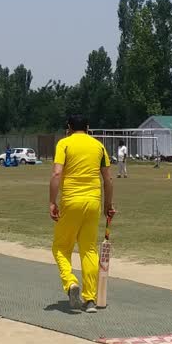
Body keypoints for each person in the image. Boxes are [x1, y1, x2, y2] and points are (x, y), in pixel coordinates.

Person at [49, 114, 115, 313]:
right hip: (93, 202)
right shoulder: (99, 146)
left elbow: (57, 173)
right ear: (88, 127)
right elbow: (108, 179)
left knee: (61, 247)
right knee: (89, 250)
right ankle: (90, 299)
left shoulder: (64, 144)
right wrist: (108, 205)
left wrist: (52, 202)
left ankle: (70, 283)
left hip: (71, 201)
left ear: (68, 127)